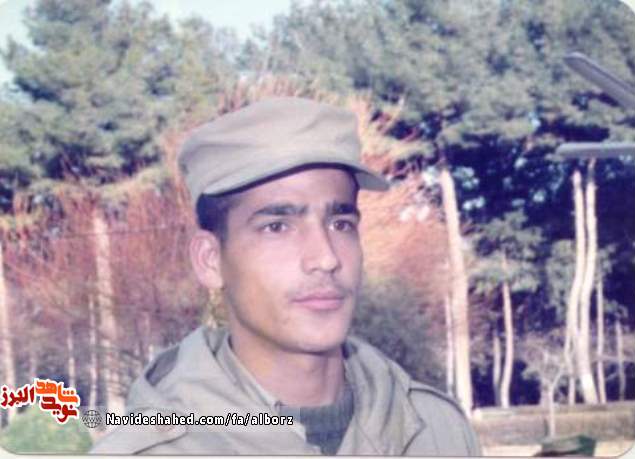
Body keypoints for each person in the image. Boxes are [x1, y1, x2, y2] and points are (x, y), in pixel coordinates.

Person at [90, 97, 482, 456]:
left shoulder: (436, 431)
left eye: (341, 223)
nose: (326, 258)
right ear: (210, 260)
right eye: (277, 226)